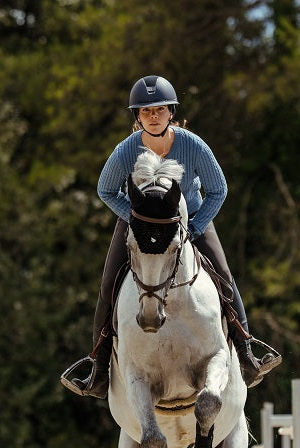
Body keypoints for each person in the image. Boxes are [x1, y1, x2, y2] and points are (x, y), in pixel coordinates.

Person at [62, 75, 281, 399]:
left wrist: (194, 225)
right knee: (109, 285)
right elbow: (105, 190)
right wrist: (136, 219)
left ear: (170, 112)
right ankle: (98, 366)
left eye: (160, 109)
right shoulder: (126, 151)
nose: (153, 116)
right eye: (146, 111)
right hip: (139, 222)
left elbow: (218, 189)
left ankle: (246, 350)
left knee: (223, 275)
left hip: (189, 219)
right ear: (137, 116)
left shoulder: (191, 144)